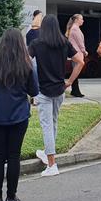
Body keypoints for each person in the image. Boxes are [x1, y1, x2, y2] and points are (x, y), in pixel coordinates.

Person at [0, 29, 39, 201]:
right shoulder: (27, 65)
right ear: (21, 44)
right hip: (19, 116)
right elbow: (34, 91)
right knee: (14, 156)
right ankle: (11, 198)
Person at [29, 15, 84, 177]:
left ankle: (52, 164)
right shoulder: (64, 43)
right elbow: (80, 61)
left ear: (43, 27)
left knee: (47, 126)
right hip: (60, 90)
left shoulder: (36, 44)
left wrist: (31, 83)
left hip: (43, 90)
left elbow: (25, 62)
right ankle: (47, 153)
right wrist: (70, 81)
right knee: (53, 123)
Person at [66, 14, 87, 97]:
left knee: (75, 71)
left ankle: (75, 90)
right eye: (81, 19)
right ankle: (75, 90)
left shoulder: (74, 28)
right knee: (76, 72)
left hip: (76, 52)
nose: (83, 20)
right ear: (76, 20)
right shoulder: (75, 29)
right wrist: (84, 50)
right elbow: (79, 42)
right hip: (77, 53)